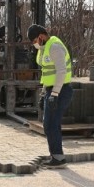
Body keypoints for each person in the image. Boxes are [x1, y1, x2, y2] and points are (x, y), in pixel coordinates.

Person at [28, 24, 74, 169]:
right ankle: (56, 156)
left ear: (41, 36)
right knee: (50, 124)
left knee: (50, 124)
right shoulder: (44, 49)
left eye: (34, 40)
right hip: (52, 90)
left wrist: (54, 94)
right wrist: (44, 94)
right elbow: (47, 74)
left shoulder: (55, 47)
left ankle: (58, 158)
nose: (34, 44)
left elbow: (61, 72)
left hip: (61, 90)